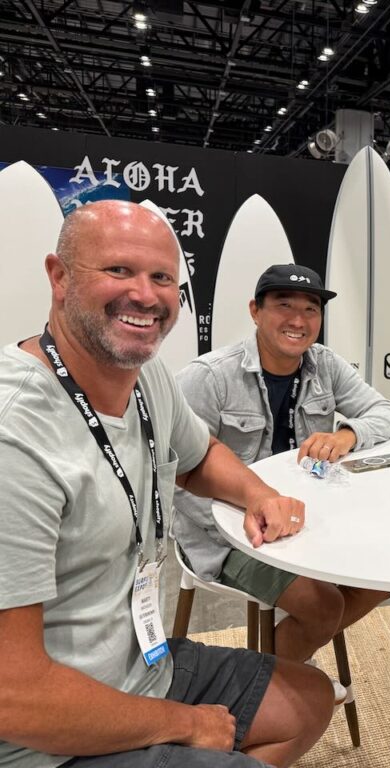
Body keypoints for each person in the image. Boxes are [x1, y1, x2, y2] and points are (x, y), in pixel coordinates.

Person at [0, 201, 333, 768]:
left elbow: (200, 456)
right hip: (44, 740)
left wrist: (259, 494)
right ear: (59, 277)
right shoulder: (16, 435)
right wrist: (185, 724)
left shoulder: (145, 374)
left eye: (161, 278)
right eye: (119, 270)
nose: (145, 295)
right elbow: (14, 696)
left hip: (143, 664)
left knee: (310, 700)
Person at [174, 264, 390, 698]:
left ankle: (279, 665)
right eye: (284, 306)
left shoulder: (324, 364)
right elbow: (177, 476)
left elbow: (386, 414)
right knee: (323, 606)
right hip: (227, 534)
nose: (298, 320)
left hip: (306, 518)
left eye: (310, 309)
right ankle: (261, 687)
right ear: (255, 311)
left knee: (382, 576)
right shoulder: (209, 378)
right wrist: (244, 523)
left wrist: (347, 434)